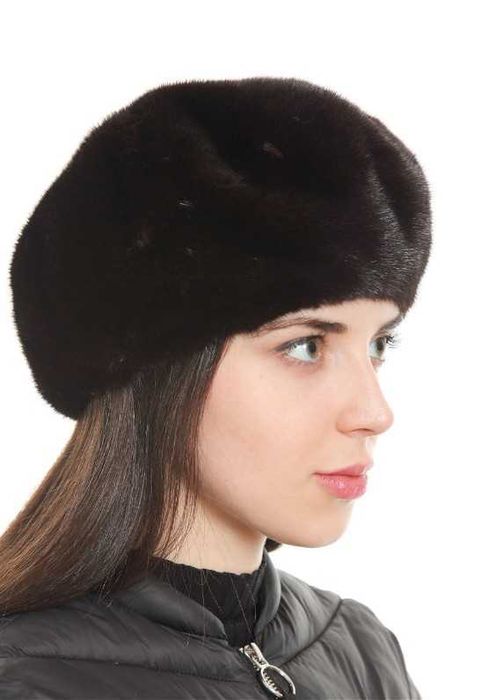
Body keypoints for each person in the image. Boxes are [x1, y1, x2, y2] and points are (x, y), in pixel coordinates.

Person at [0, 76, 431, 698]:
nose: (374, 412)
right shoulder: (27, 680)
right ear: (158, 369)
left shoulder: (359, 647)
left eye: (378, 345)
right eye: (306, 346)